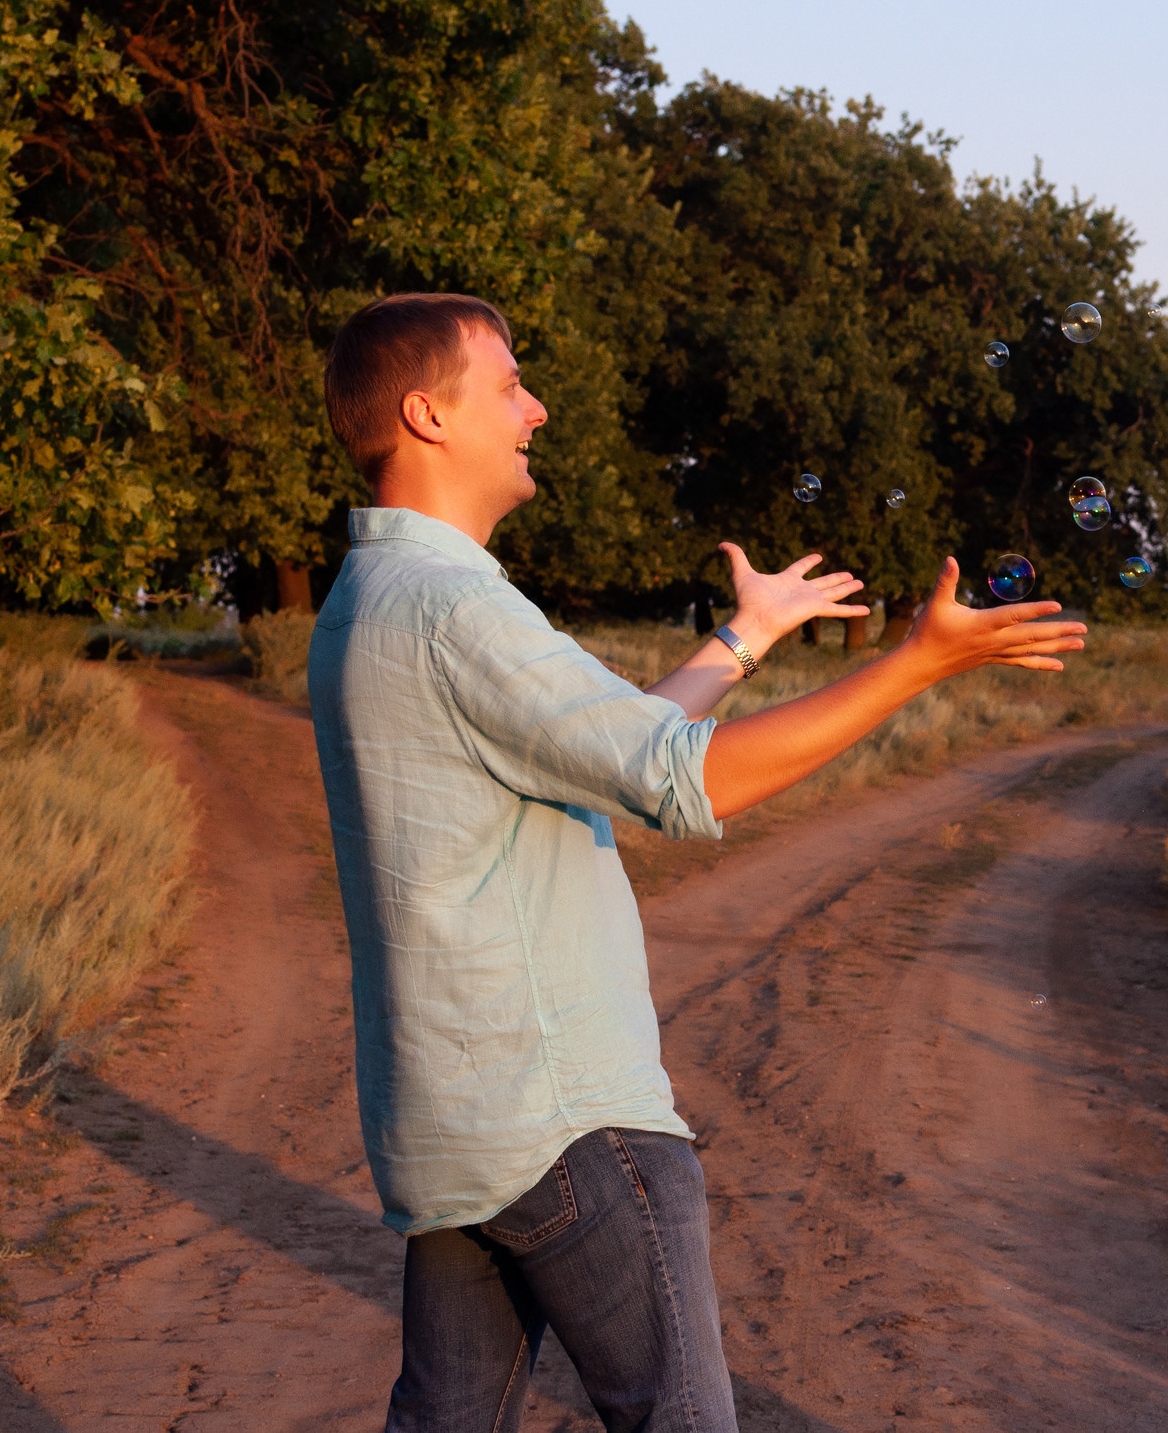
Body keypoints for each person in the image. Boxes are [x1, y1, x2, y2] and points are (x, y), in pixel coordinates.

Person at [304, 293, 1087, 1433]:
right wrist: (921, 664)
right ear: (426, 414)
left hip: (460, 1124)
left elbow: (610, 749)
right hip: (562, 1115)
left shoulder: (372, 597)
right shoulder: (454, 608)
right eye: (511, 381)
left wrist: (743, 639)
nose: (538, 405)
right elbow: (686, 781)